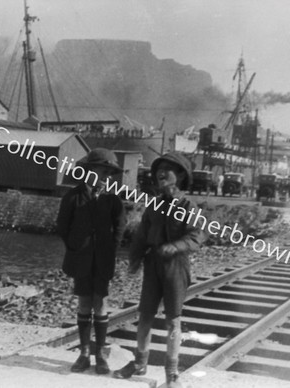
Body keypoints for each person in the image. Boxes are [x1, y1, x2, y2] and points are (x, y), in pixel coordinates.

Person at [113, 151, 205, 388]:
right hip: (153, 264)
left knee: (173, 320)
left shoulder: (189, 206)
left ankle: (172, 373)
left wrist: (174, 246)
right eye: (158, 169)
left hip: (176, 265)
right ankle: (139, 362)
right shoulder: (154, 206)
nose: (161, 173)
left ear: (181, 175)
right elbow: (142, 236)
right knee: (145, 315)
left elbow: (196, 236)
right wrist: (133, 262)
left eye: (168, 169)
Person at [56, 148, 127, 374]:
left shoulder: (112, 199)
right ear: (88, 171)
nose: (105, 178)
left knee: (101, 303)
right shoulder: (73, 196)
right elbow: (62, 227)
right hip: (81, 259)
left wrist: (109, 250)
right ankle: (84, 353)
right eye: (102, 172)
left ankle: (100, 355)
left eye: (109, 174)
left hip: (103, 260)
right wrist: (77, 247)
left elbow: (120, 227)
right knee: (85, 303)